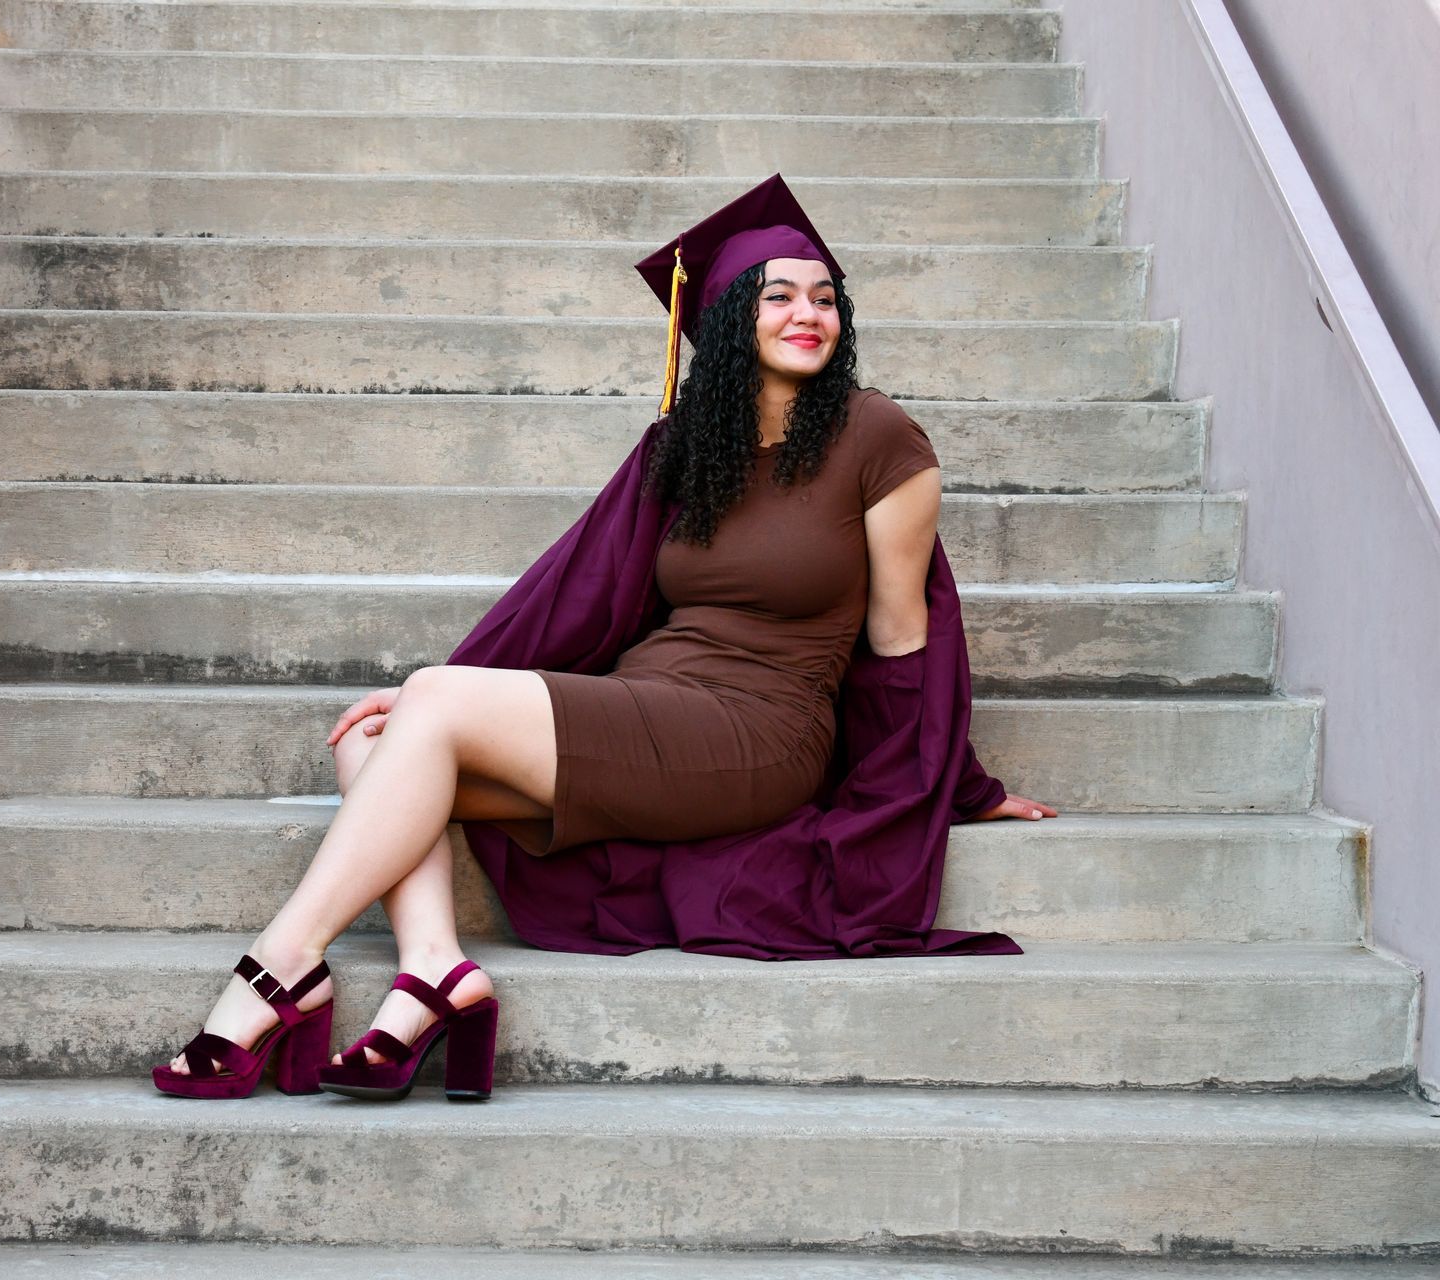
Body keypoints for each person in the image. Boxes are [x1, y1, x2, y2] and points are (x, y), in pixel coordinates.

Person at [153, 174, 1056, 1104]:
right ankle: (433, 974)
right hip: (651, 707)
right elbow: (577, 589)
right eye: (779, 294)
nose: (807, 313)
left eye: (826, 298)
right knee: (376, 741)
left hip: (759, 732)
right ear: (727, 315)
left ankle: (279, 965)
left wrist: (959, 785)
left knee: (429, 703)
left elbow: (908, 639)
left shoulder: (880, 438)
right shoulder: (683, 446)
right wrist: (445, 691)